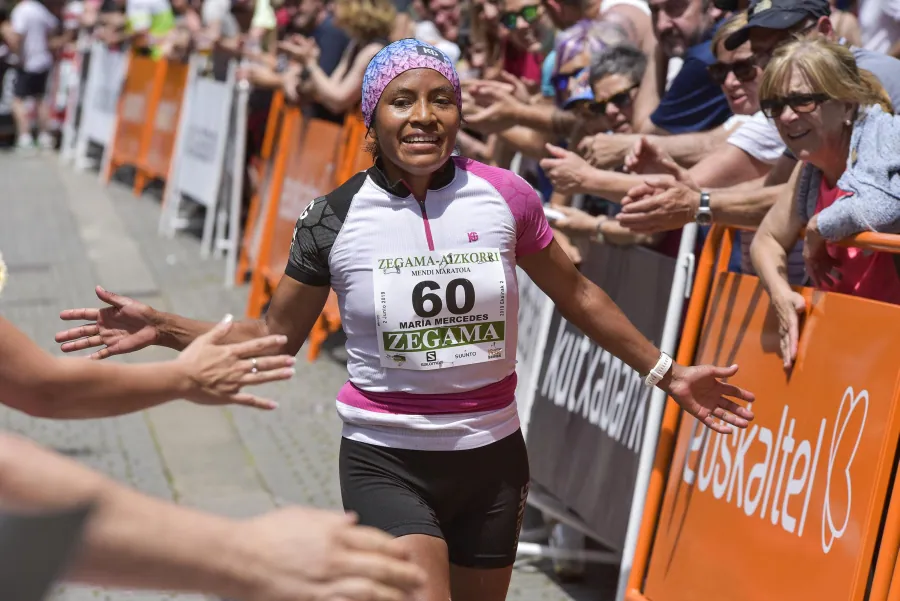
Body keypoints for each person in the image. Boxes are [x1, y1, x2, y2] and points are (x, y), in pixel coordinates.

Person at [55, 38, 755, 601]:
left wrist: (670, 372)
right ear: (372, 116)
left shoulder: (505, 197)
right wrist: (164, 327)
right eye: (402, 101)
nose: (423, 116)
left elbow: (578, 296)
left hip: (494, 458)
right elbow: (274, 338)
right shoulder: (332, 217)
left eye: (440, 99)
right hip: (386, 458)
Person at [750, 36, 900, 369]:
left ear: (847, 103)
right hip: (856, 350)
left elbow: (887, 205)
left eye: (803, 101)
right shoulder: (809, 170)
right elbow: (767, 239)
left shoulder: (887, 136)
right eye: (775, 106)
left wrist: (818, 227)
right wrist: (780, 294)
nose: (787, 117)